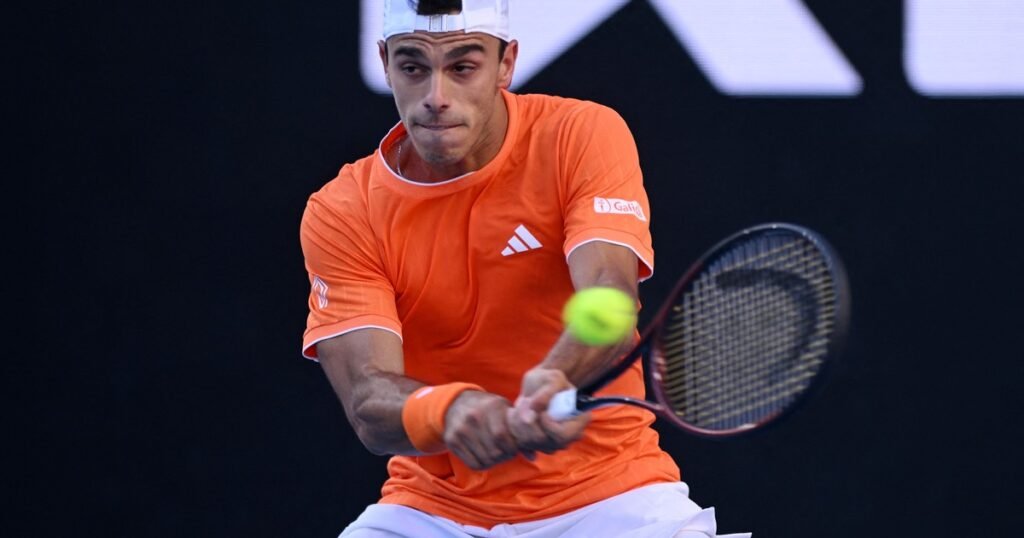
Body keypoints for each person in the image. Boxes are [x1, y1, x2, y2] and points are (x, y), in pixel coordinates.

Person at [299, 1, 751, 536]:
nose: (436, 96)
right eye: (413, 67)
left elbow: (610, 291)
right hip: (432, 511)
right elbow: (368, 402)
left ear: (506, 64)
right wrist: (448, 409)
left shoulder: (581, 133)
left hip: (615, 497)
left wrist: (556, 373)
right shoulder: (342, 210)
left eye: (463, 67)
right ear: (385, 64)